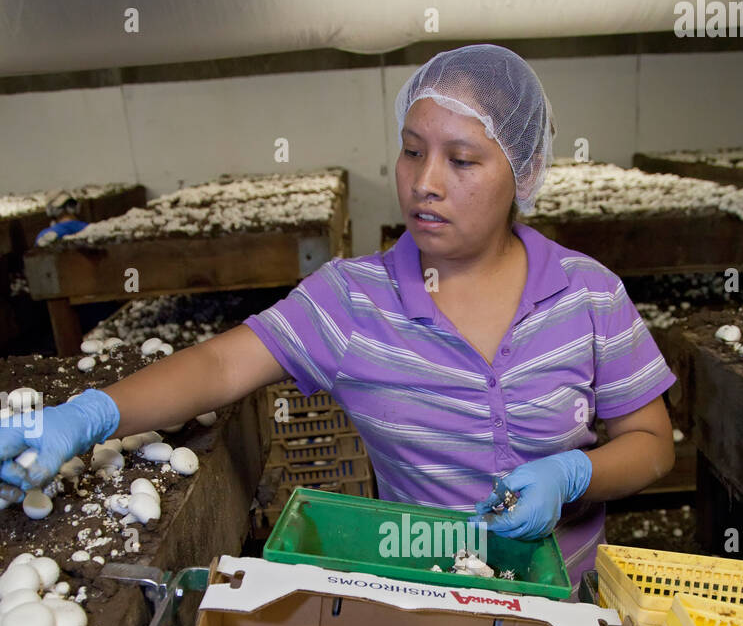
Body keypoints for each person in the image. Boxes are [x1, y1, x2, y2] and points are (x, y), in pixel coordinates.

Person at [0, 45, 675, 592]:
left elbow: (652, 441)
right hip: (422, 591)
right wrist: (87, 416)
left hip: (570, 594)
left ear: (524, 172)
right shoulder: (355, 303)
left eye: (462, 159)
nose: (424, 182)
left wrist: (574, 476)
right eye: (413, 150)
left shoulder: (588, 295)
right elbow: (220, 363)